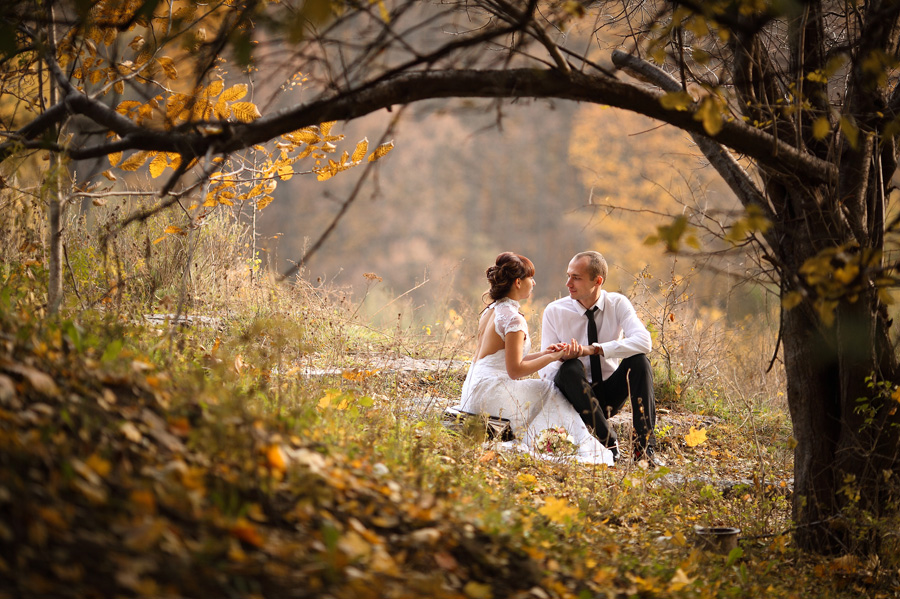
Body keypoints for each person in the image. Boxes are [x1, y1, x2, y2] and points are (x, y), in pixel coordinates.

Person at [454, 252, 614, 465]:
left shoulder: (492, 310)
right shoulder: (514, 319)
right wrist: (555, 357)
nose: (534, 283)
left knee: (544, 391)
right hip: (491, 394)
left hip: (473, 390)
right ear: (518, 282)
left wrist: (547, 352)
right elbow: (515, 370)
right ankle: (562, 444)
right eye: (531, 278)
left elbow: (503, 358)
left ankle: (551, 439)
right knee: (551, 390)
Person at [540, 251, 660, 465]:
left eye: (576, 277)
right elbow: (545, 371)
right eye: (568, 275)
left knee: (639, 361)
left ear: (598, 281)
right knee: (570, 366)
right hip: (574, 395)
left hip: (609, 394)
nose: (568, 283)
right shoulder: (554, 311)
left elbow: (644, 342)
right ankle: (609, 443)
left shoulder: (617, 303)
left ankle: (644, 450)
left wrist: (593, 349)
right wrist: (561, 357)